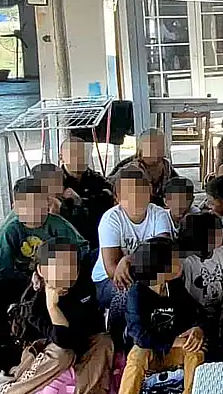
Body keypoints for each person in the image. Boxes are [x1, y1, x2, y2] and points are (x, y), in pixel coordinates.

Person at [0, 241, 113, 394]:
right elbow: (61, 341)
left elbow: (93, 326)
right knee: (63, 354)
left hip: (79, 341)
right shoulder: (35, 302)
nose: (68, 272)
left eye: (73, 265)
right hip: (44, 352)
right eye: (59, 266)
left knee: (104, 342)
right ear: (41, 270)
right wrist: (53, 307)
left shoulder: (84, 287)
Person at [0, 177, 90, 347]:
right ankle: (4, 342)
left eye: (38, 204)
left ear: (48, 203)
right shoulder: (11, 230)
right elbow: (1, 269)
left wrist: (56, 274)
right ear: (15, 207)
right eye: (26, 206)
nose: (33, 210)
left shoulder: (58, 225)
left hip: (59, 280)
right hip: (25, 282)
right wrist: (31, 278)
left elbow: (82, 249)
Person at [117, 238, 205, 394]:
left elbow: (195, 311)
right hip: (150, 352)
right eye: (174, 261)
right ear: (158, 271)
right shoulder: (136, 295)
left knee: (195, 351)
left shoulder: (174, 286)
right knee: (137, 357)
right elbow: (140, 336)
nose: (179, 264)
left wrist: (198, 328)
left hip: (173, 352)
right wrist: (174, 341)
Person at [92, 168, 174, 310]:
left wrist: (129, 259)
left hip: (150, 277)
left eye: (140, 191)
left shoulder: (159, 215)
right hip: (107, 280)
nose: (135, 199)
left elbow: (163, 253)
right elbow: (113, 270)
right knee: (134, 292)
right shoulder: (111, 219)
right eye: (127, 195)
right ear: (117, 198)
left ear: (150, 191)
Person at [179, 212, 223, 325]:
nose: (222, 232)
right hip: (198, 312)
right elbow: (187, 293)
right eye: (217, 231)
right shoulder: (188, 262)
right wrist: (202, 310)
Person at [58, 137, 116, 246]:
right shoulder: (56, 183)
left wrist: (80, 202)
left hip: (97, 239)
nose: (79, 158)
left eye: (83, 153)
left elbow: (109, 202)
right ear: (61, 157)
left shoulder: (97, 180)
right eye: (74, 154)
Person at [110, 129, 177, 207]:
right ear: (141, 149)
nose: (156, 150)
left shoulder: (166, 166)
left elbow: (178, 187)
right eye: (151, 146)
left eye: (160, 146)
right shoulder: (131, 169)